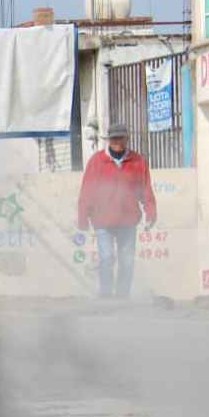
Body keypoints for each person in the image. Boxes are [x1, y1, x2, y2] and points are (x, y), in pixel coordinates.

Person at [77, 122, 157, 299]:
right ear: (108, 140)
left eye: (121, 138)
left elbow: (145, 190)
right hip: (102, 220)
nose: (117, 142)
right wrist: (83, 217)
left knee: (127, 262)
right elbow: (87, 190)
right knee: (106, 259)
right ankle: (105, 295)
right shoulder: (97, 161)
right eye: (114, 138)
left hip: (128, 221)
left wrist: (151, 212)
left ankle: (122, 297)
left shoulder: (138, 161)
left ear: (127, 139)